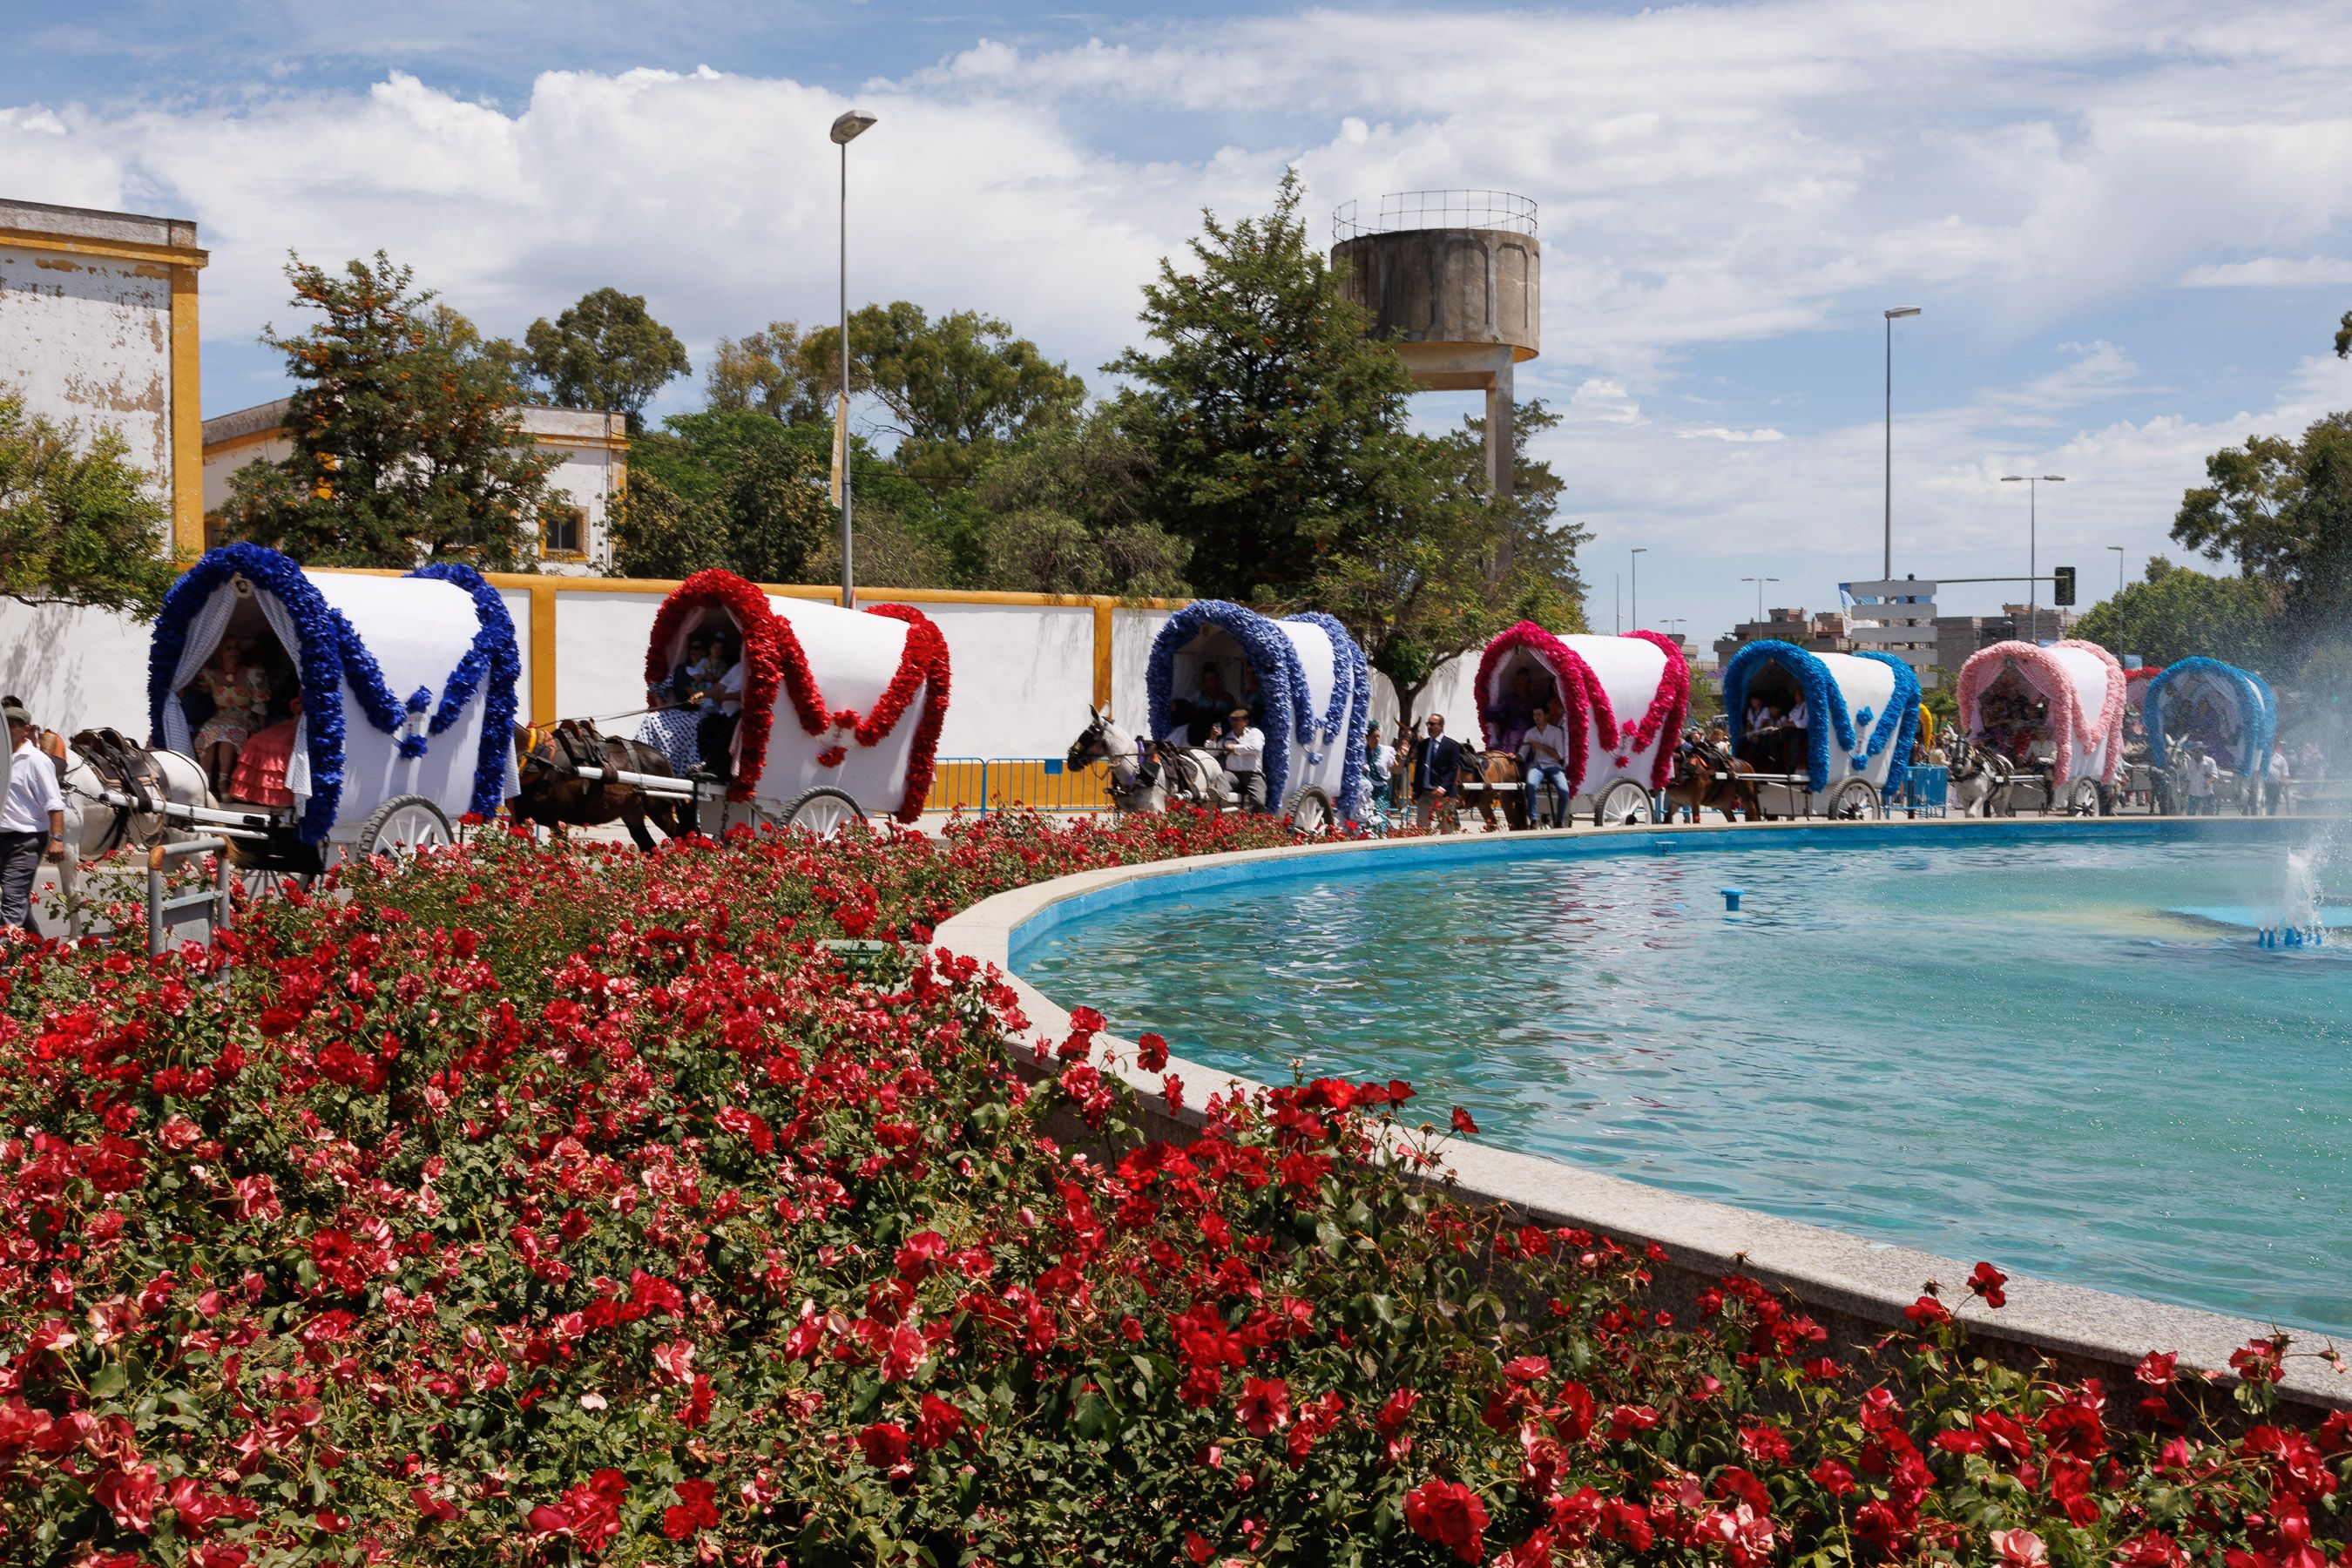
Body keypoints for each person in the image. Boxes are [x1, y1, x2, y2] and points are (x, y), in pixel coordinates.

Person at [2, 700, 66, 938]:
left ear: (25, 730)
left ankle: (4, 950)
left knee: (13, 896)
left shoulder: (37, 761)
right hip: (1, 836)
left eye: (9, 725)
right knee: (15, 896)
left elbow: (54, 804)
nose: (3, 731)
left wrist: (56, 839)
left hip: (27, 840)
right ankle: (35, 945)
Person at [189, 634, 272, 799]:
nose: (233, 651)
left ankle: (223, 782)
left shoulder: (252, 672)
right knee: (208, 733)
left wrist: (262, 731)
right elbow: (196, 687)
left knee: (227, 734)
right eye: (228, 648)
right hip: (219, 717)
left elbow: (260, 703)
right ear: (221, 652)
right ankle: (205, 783)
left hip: (244, 718)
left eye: (236, 648)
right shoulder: (211, 675)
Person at [693, 634, 745, 779]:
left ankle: (716, 768)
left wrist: (726, 697)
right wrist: (702, 694)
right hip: (725, 711)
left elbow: (746, 694)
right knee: (705, 725)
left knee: (726, 730)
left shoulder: (755, 669)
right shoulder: (738, 667)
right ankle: (705, 763)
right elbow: (720, 687)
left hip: (740, 713)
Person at [1520, 700, 1571, 828]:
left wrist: (1541, 747)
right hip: (1538, 766)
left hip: (1554, 766)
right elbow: (1523, 753)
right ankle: (1533, 820)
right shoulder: (1530, 733)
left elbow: (1560, 755)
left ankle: (1559, 821)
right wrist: (1515, 757)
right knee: (1531, 784)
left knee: (1564, 790)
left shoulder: (1556, 732)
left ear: (1546, 716)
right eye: (1534, 715)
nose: (1536, 717)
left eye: (1539, 714)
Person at [1412, 713, 1464, 831]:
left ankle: (1446, 849)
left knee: (1446, 828)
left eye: (1432, 724)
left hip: (1443, 795)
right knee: (1421, 829)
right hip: (1424, 793)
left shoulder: (1452, 745)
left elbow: (1453, 769)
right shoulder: (1423, 745)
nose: (1429, 727)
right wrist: (1415, 790)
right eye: (1428, 724)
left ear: (1441, 726)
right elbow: (1419, 768)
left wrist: (1442, 787)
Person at [1209, 706, 1267, 809]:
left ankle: (1256, 821)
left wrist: (1234, 748)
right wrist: (1212, 739)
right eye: (1232, 720)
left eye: (1237, 720)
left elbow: (1256, 748)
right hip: (1233, 773)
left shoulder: (1255, 733)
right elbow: (1212, 753)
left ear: (1246, 721)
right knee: (1223, 777)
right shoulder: (1227, 737)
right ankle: (1221, 799)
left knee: (1259, 802)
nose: (1234, 723)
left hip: (1253, 774)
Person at [2267, 746, 2292, 816]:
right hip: (2265, 785)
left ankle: (2271, 817)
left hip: (2276, 785)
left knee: (2274, 803)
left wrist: (2285, 779)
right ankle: (2265, 817)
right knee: (2266, 802)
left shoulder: (2281, 759)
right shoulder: (2264, 757)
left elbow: (2285, 771)